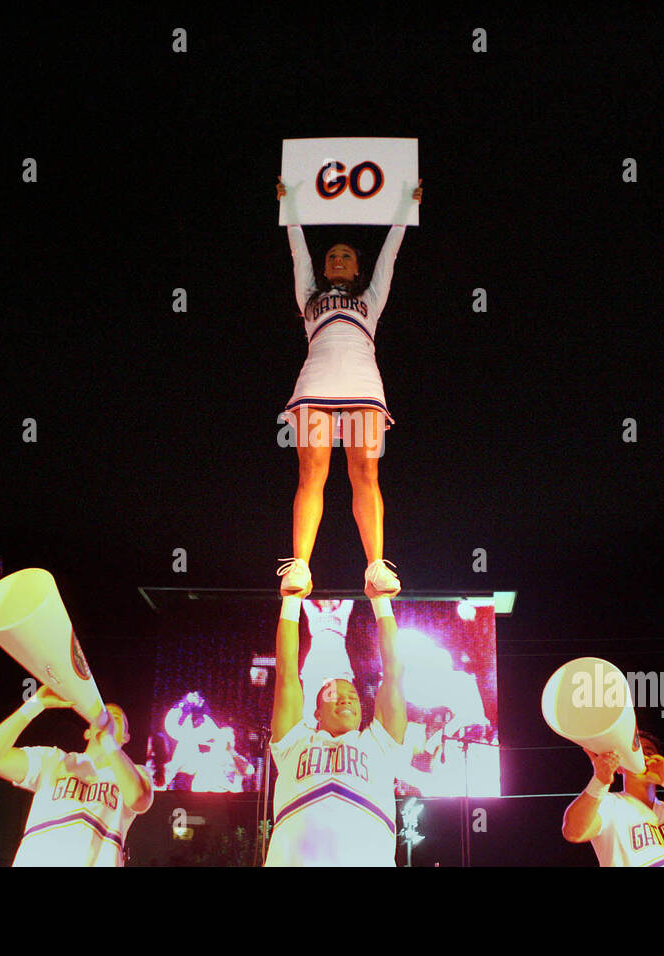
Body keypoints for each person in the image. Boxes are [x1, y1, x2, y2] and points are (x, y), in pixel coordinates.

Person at [274, 178, 422, 599]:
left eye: (346, 256)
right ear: (325, 268)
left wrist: (404, 212)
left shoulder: (371, 299)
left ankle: (375, 567)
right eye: (332, 256)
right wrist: (291, 211)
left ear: (357, 267)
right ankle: (300, 566)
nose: (338, 259)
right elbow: (296, 252)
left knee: (365, 473)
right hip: (315, 385)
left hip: (362, 387)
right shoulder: (309, 295)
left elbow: (391, 257)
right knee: (311, 473)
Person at [265, 585, 407, 866]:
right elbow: (286, 674)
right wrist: (291, 600)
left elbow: (394, 673)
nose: (346, 699)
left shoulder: (379, 744)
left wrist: (381, 601)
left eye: (352, 696)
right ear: (315, 712)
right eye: (333, 695)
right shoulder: (295, 742)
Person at [0, 686, 152, 866]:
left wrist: (108, 741)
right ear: (88, 731)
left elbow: (138, 798)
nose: (106, 719)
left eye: (115, 718)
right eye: (101, 716)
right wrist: (35, 704)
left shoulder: (137, 772)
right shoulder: (53, 759)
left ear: (125, 737)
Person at [561, 730, 664, 866]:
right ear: (620, 767)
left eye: (649, 751)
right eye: (635, 753)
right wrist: (598, 782)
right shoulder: (609, 805)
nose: (643, 757)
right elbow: (573, 832)